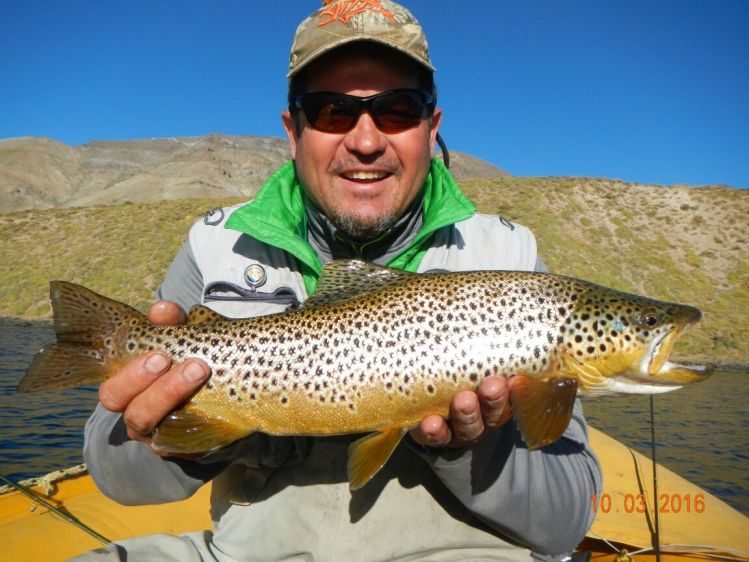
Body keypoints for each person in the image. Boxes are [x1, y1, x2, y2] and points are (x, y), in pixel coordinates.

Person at [76, 1, 602, 560]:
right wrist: (192, 433)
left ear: (432, 127)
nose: (367, 140)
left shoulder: (513, 259)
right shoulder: (215, 245)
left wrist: (467, 449)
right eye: (331, 111)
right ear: (292, 130)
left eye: (397, 109)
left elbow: (565, 522)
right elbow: (115, 476)